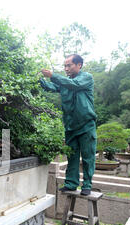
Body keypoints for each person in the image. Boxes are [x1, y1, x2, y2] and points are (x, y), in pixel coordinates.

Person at [39, 54, 97, 196]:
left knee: (88, 155)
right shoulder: (65, 82)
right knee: (71, 155)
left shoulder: (86, 78)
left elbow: (74, 85)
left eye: (69, 65)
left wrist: (53, 75)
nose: (66, 69)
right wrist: (39, 81)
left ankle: (87, 185)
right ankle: (71, 184)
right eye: (64, 66)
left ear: (79, 65)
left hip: (86, 125)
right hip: (70, 126)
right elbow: (51, 86)